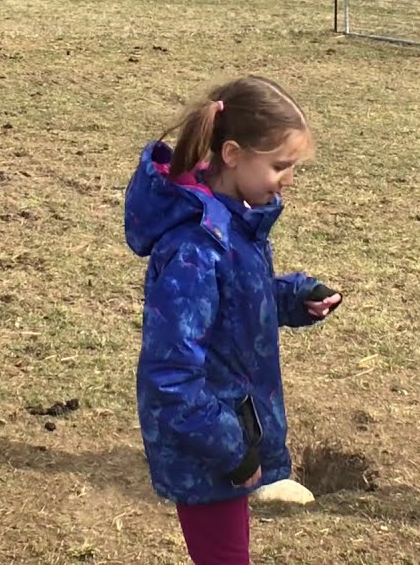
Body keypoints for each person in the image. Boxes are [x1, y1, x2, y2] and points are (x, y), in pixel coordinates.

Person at [123, 75, 342, 565]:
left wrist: (293, 298)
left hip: (230, 439)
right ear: (233, 155)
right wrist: (234, 451)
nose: (288, 179)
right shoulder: (195, 250)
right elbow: (170, 376)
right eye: (281, 165)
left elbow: (238, 304)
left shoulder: (234, 225)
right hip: (211, 449)